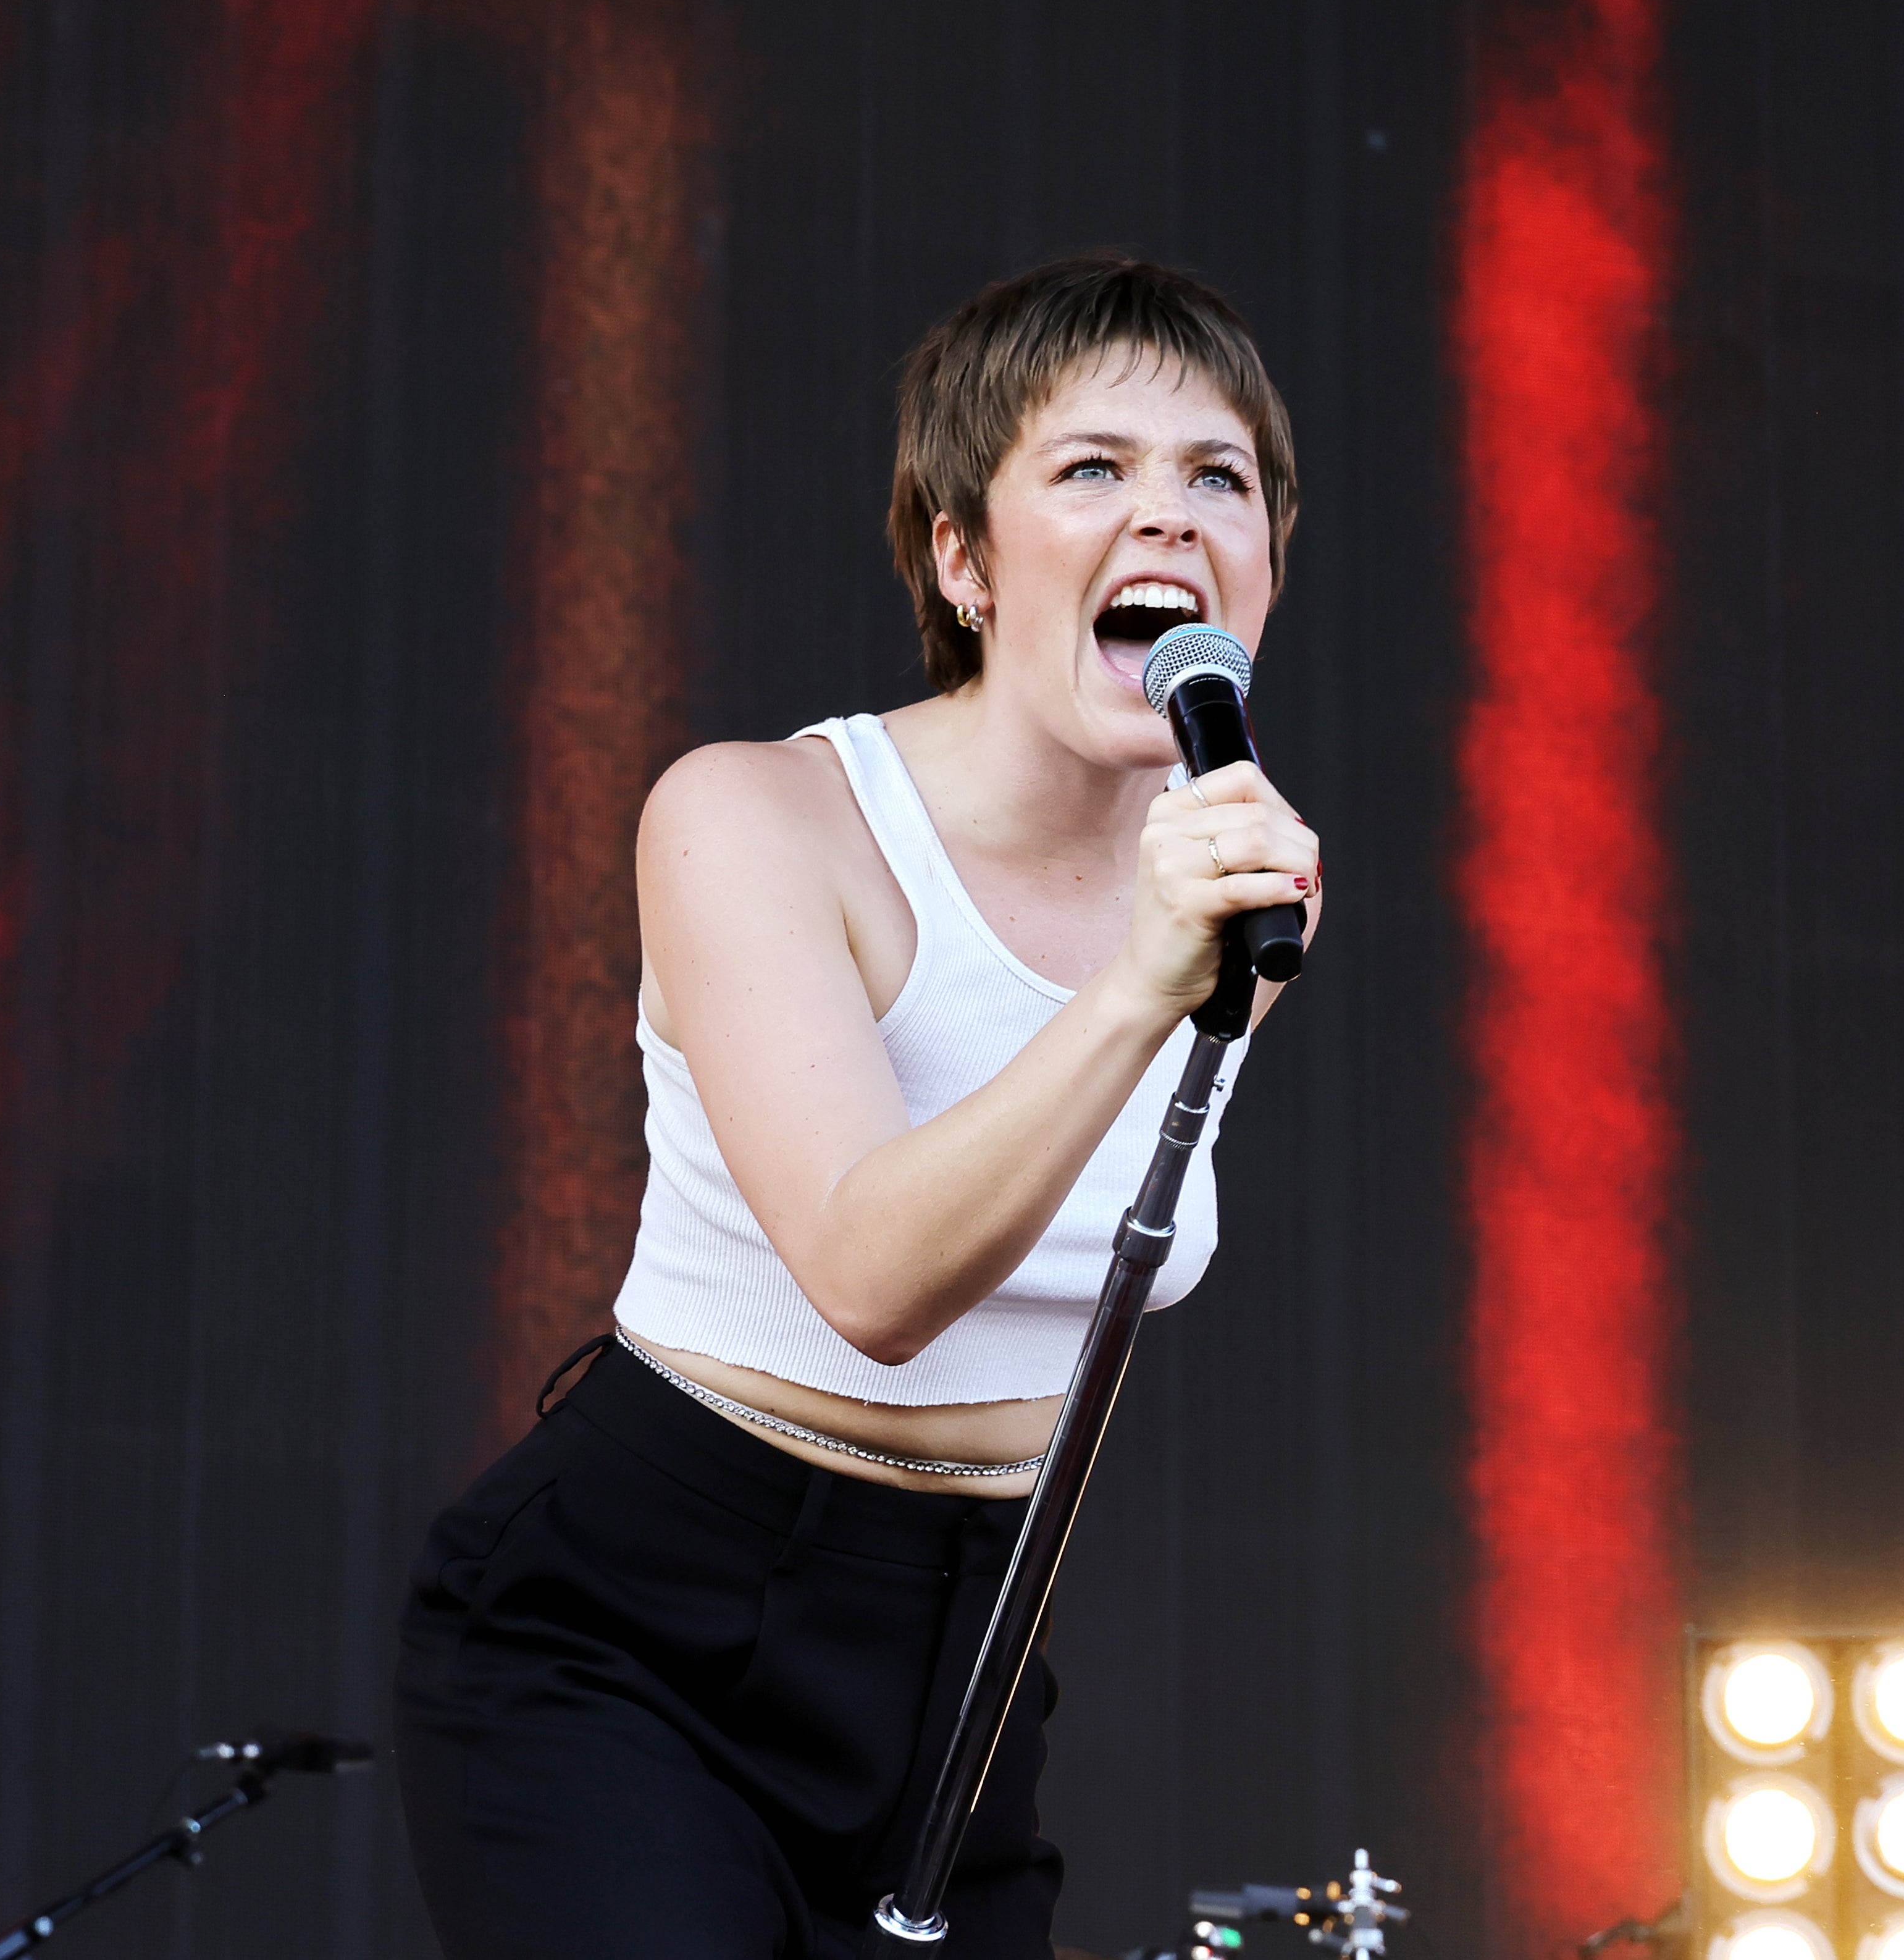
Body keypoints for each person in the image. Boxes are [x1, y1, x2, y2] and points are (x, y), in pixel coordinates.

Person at [395, 252, 1321, 1959]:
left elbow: (1090, 1295)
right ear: (963, 560)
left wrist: (1177, 944)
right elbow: (871, 1279)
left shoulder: (1230, 871)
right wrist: (1135, 981)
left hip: (949, 1661)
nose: (1170, 521)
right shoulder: (759, 818)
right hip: (642, 1621)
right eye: (1092, 469)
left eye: (1220, 479)